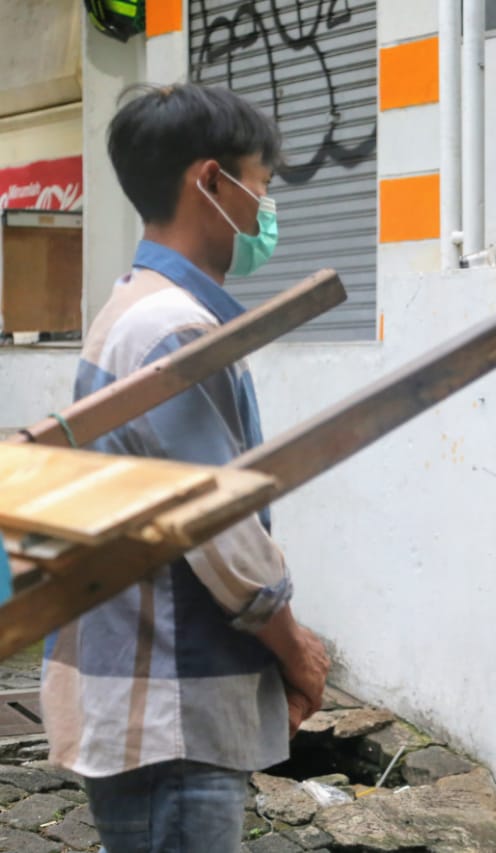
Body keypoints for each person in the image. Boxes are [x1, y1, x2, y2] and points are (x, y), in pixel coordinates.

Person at [40, 84, 330, 853]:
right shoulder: (171, 328)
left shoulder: (134, 307)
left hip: (154, 706)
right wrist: (296, 648)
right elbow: (219, 522)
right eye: (260, 186)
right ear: (211, 182)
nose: (265, 211)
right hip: (170, 715)